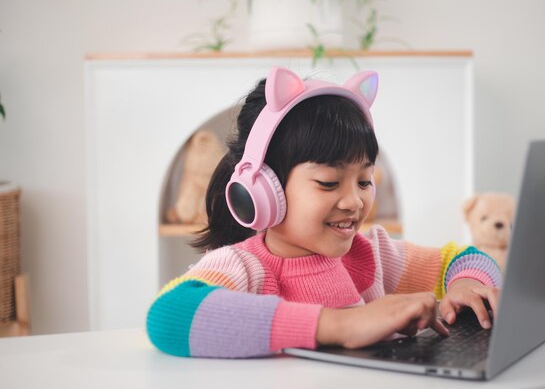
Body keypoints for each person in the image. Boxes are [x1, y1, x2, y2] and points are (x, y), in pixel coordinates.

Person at [146, 67, 502, 358]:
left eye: (364, 181)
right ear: (263, 189)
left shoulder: (372, 253)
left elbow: (466, 258)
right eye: (329, 183)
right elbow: (168, 316)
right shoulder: (245, 268)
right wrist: (343, 326)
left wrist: (468, 285)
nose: (355, 202)